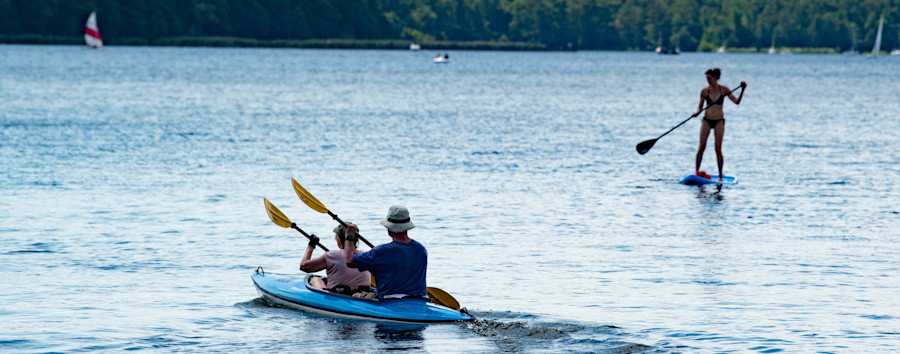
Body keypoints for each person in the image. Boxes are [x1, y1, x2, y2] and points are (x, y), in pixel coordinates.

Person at [343, 205, 427, 300]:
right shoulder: (420, 249)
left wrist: (349, 236)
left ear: (389, 228)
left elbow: (349, 260)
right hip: (420, 298)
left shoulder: (381, 251)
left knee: (356, 295)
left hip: (390, 300)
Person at [690, 68, 746, 181]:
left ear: (715, 78)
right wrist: (696, 113)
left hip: (719, 121)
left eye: (709, 78)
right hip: (706, 120)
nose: (708, 80)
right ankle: (696, 172)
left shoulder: (724, 90)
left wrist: (742, 90)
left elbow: (737, 102)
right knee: (701, 147)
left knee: (718, 148)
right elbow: (700, 107)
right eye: (707, 78)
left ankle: (720, 174)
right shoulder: (705, 91)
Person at [299, 224, 372, 296]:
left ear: (339, 241)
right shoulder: (365, 255)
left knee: (315, 279)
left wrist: (311, 245)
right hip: (362, 295)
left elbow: (304, 266)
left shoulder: (332, 255)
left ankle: (323, 298)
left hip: (337, 295)